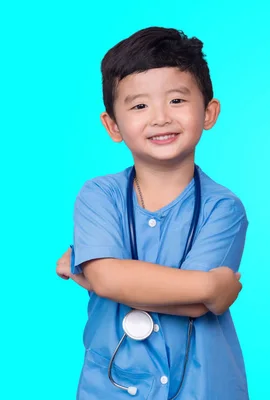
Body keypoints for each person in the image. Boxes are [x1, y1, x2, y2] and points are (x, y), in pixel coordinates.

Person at [55, 27, 249, 399]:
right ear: (112, 125)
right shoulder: (99, 195)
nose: (160, 118)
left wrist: (95, 272)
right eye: (139, 105)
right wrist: (210, 287)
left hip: (204, 386)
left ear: (209, 113)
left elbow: (192, 307)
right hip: (111, 386)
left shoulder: (223, 208)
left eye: (177, 100)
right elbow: (115, 280)